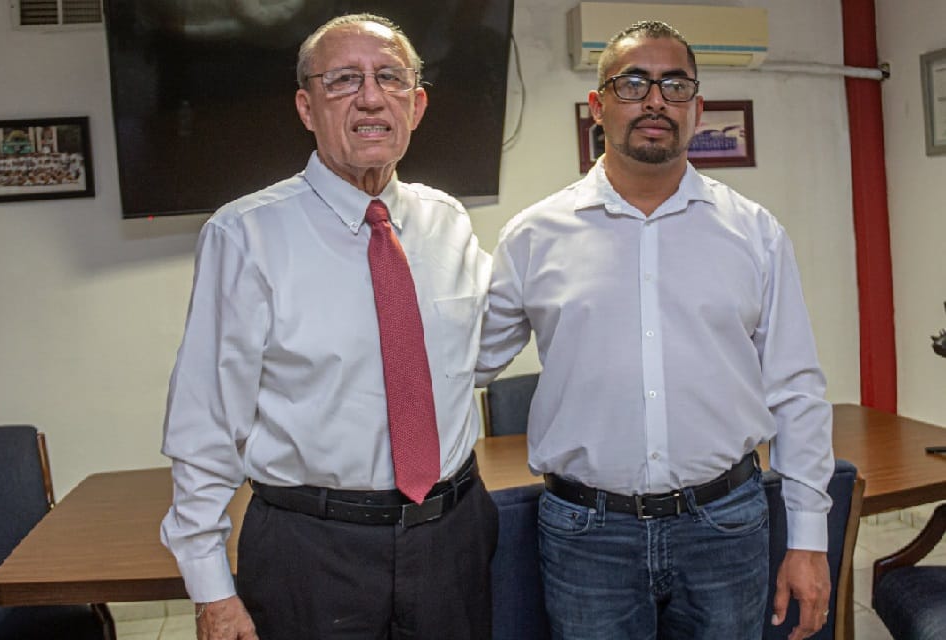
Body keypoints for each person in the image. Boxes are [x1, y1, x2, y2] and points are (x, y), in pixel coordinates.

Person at [476, 20, 834, 640]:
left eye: (674, 85)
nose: (655, 101)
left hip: (725, 526)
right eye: (633, 83)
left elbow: (796, 388)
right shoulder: (534, 236)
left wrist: (808, 538)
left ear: (697, 108)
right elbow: (464, 360)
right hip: (587, 535)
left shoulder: (754, 234)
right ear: (598, 105)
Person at [160, 13, 495, 640]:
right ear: (306, 108)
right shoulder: (245, 235)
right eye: (343, 80)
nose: (370, 97)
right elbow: (206, 420)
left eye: (390, 78)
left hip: (451, 538)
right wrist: (210, 588)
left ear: (416, 106)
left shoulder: (448, 222)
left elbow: (479, 350)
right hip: (311, 551)